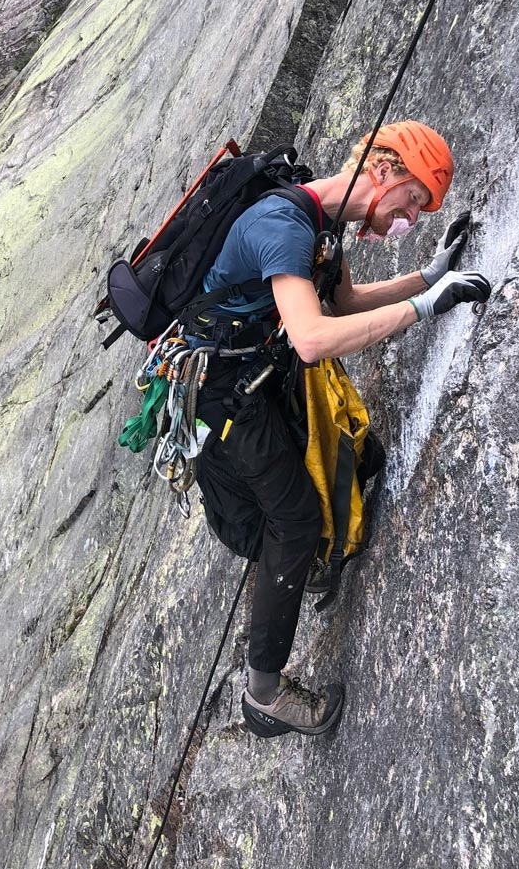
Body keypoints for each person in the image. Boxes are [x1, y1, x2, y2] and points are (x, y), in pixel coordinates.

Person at [191, 120, 491, 738]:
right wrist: (420, 309)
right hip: (226, 398)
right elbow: (312, 337)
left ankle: (318, 565)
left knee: (360, 457)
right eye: (414, 200)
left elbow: (345, 303)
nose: (413, 217)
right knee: (294, 518)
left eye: (423, 210)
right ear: (384, 170)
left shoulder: (320, 224)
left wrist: (427, 277)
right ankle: (263, 696)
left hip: (260, 378)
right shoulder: (285, 224)